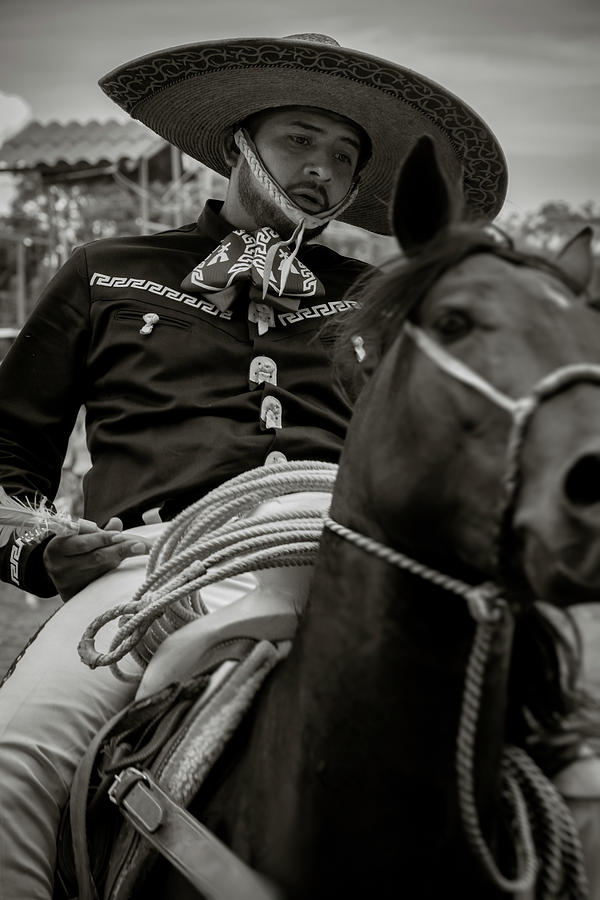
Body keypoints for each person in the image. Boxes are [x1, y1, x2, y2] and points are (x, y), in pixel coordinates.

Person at [0, 33, 506, 898]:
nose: (322, 168)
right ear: (239, 142)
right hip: (148, 574)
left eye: (344, 155)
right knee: (10, 765)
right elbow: (9, 454)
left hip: (344, 565)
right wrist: (40, 550)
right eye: (299, 140)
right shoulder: (105, 271)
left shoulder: (381, 301)